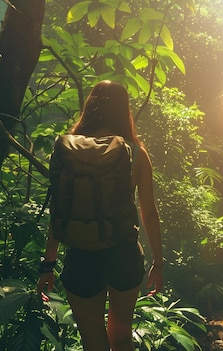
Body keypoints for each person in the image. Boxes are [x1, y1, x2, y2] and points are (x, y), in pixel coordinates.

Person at [36, 80, 164, 351]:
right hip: (124, 253)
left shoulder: (69, 151)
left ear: (90, 107)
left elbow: (59, 209)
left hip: (82, 255)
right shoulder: (136, 152)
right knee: (120, 337)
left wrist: (48, 264)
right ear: (124, 110)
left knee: (93, 342)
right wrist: (159, 262)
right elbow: (149, 214)